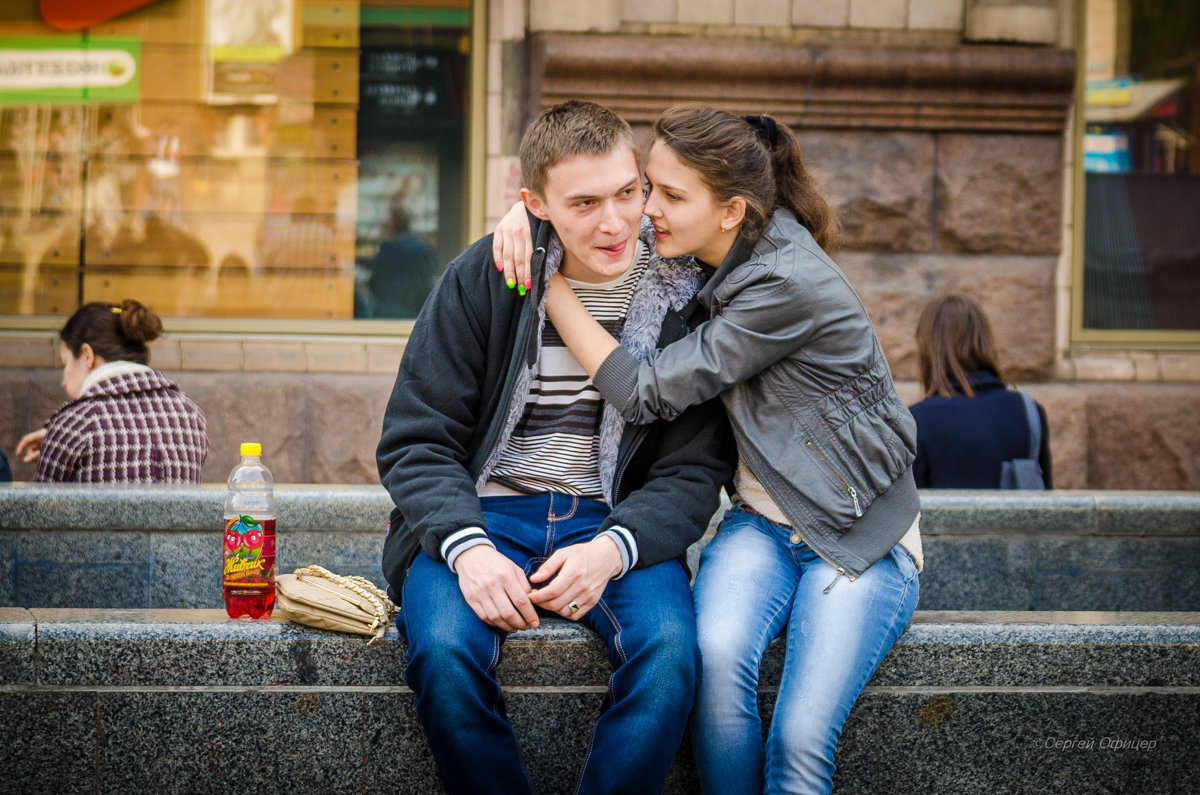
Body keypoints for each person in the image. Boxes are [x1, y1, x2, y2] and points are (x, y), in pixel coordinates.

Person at [495, 103, 922, 794]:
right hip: (761, 523)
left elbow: (643, 392)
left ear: (729, 210)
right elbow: (578, 196)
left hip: (857, 532)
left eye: (666, 196)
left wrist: (550, 286)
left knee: (800, 735)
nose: (643, 211)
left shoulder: (782, 284)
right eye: (648, 187)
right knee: (715, 667)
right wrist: (529, 219)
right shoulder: (715, 247)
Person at [376, 100, 733, 795]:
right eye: (585, 202)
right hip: (484, 517)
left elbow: (694, 469)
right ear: (534, 202)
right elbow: (417, 439)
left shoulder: (689, 301)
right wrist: (466, 546)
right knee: (444, 653)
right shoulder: (485, 278)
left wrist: (613, 548)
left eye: (628, 193)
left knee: (669, 657)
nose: (616, 222)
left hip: (614, 523)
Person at [15, 299, 208, 483]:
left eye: (64, 363)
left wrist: (60, 440)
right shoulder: (190, 415)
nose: (63, 382)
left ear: (87, 355)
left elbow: (41, 513)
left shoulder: (75, 424)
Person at [909, 293, 1053, 488]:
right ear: (984, 342)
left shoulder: (917, 421)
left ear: (928, 350)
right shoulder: (1028, 412)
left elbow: (907, 512)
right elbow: (1048, 507)